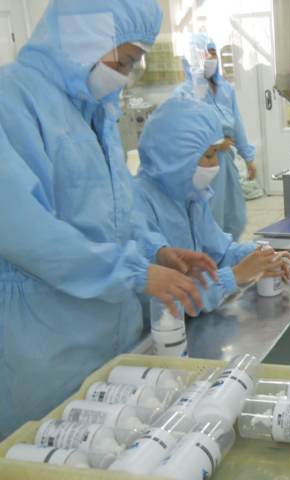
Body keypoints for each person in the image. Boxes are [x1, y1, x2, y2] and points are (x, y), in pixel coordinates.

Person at [0, 0, 217, 438]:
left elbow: (115, 207)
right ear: (85, 34)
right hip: (47, 339)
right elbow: (25, 231)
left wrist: (154, 249)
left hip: (110, 330)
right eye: (124, 59)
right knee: (48, 446)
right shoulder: (13, 101)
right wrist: (135, 273)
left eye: (133, 62)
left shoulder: (94, 109)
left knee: (112, 442)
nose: (124, 73)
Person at [135, 97, 290, 312]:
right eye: (208, 155)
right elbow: (166, 300)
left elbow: (219, 253)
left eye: (217, 154)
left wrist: (258, 256)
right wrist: (235, 276)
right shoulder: (139, 203)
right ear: (176, 157)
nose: (215, 165)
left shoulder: (189, 194)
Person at [176, 38, 256, 241]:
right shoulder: (184, 93)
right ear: (192, 58)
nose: (210, 57)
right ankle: (211, 254)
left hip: (226, 160)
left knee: (234, 214)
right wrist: (214, 144)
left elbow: (237, 123)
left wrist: (248, 157)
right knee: (210, 213)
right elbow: (183, 132)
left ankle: (229, 251)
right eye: (205, 53)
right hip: (203, 162)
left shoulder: (226, 90)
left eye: (213, 52)